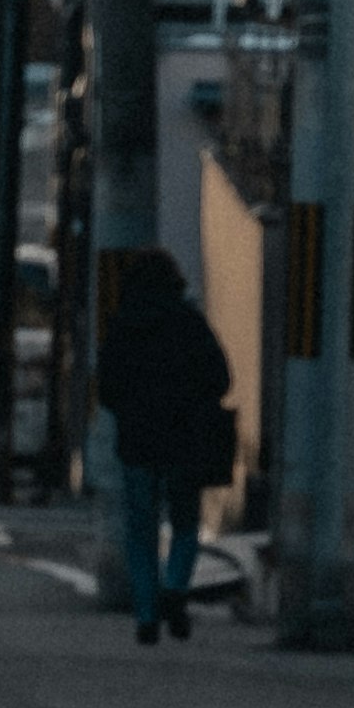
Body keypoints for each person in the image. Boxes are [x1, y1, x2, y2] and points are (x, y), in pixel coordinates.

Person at [94, 244, 235, 646]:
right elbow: (221, 378)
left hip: (138, 441)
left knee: (141, 530)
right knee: (186, 524)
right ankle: (175, 588)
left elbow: (106, 390)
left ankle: (145, 614)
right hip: (185, 439)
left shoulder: (123, 327)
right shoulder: (190, 323)